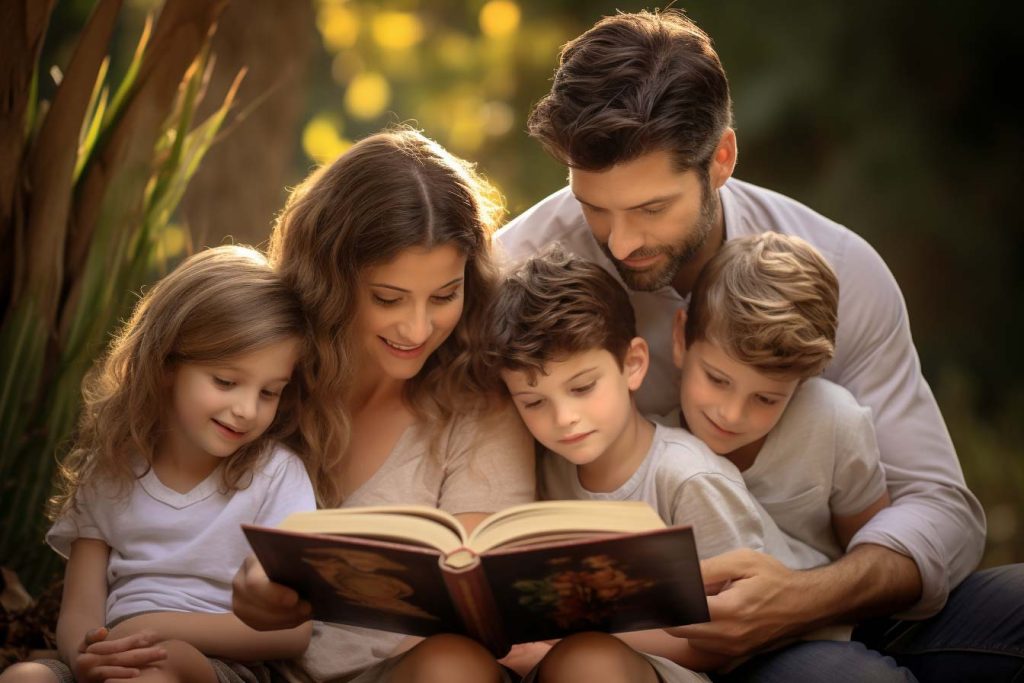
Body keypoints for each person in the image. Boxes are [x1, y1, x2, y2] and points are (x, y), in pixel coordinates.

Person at [496, 8, 1023, 681]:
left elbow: (939, 506)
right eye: (594, 207)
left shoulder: (839, 267)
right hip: (658, 643)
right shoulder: (518, 275)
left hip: (836, 591)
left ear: (720, 159)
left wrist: (806, 598)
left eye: (652, 209)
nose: (619, 242)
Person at [483, 247, 890, 682]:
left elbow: (728, 636)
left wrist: (563, 639)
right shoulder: (550, 470)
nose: (563, 418)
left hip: (748, 662)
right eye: (534, 402)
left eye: (582, 388)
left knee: (588, 664)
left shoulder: (689, 476)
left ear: (634, 365)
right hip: (613, 661)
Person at [229, 127, 535, 683]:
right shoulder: (267, 374)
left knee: (455, 666)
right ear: (330, 279)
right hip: (246, 663)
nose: (418, 328)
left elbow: (478, 596)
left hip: (399, 674)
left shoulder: (476, 403)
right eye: (388, 298)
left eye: (445, 296)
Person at [0, 245, 320, 683]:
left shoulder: (276, 475)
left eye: (269, 392)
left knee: (159, 667)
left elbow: (294, 634)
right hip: (114, 651)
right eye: (226, 382)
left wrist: (155, 630)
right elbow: (80, 609)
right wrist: (84, 657)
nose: (247, 409)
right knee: (24, 678)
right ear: (166, 364)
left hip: (223, 665)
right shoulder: (108, 469)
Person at [666, 232, 890, 563]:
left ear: (801, 384)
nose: (731, 413)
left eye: (766, 399)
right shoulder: (655, 448)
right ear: (681, 339)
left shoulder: (834, 423)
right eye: (717, 379)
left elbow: (874, 553)